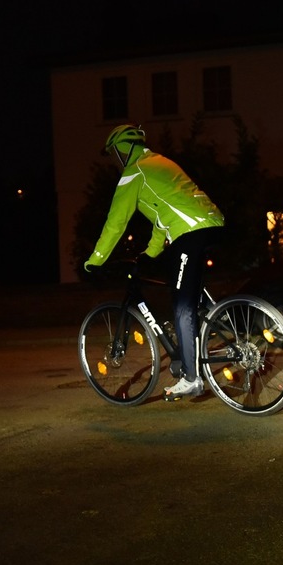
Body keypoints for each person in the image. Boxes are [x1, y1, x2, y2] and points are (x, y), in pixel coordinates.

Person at [83, 124, 225, 400]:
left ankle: (191, 378)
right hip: (211, 223)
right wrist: (149, 254)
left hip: (190, 231)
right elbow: (163, 219)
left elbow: (116, 223)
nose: (116, 160)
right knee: (188, 293)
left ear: (122, 150)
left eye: (115, 154)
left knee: (182, 306)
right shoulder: (160, 163)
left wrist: (95, 260)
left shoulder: (133, 172)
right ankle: (221, 322)